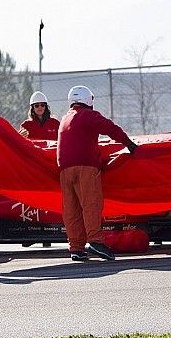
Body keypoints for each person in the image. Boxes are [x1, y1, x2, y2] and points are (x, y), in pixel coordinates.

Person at [57, 85, 138, 262]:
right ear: (88, 100)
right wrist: (128, 143)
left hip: (64, 169)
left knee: (72, 209)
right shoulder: (88, 115)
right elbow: (109, 128)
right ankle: (95, 241)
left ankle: (76, 248)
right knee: (91, 203)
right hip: (85, 166)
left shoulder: (65, 119)